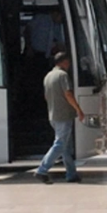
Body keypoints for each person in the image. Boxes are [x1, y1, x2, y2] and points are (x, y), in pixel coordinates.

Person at [35, 52, 84, 184]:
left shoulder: (48, 76)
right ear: (63, 62)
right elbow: (68, 93)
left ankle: (71, 174)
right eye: (67, 62)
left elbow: (46, 96)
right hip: (64, 115)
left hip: (53, 115)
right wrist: (78, 109)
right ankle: (42, 170)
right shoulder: (62, 75)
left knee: (66, 147)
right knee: (60, 144)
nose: (68, 65)